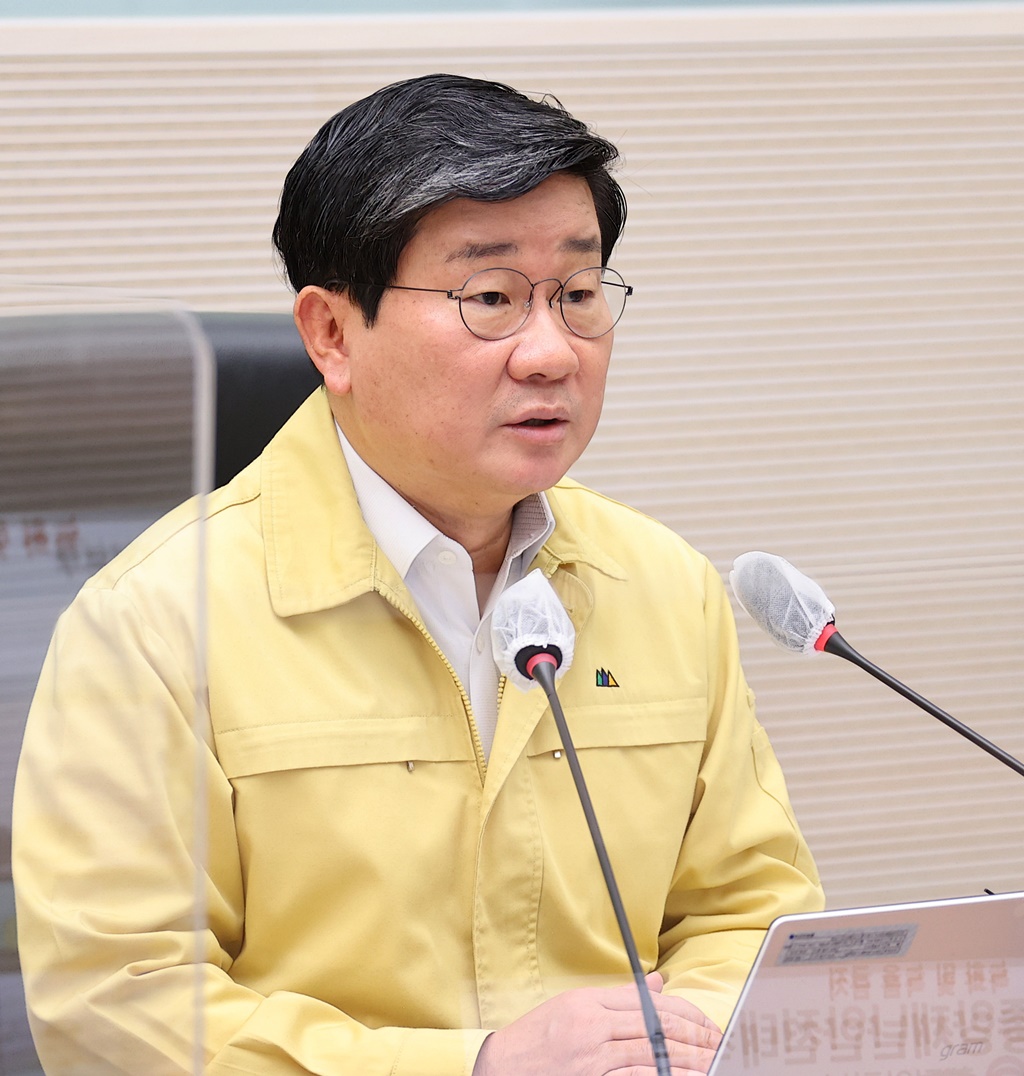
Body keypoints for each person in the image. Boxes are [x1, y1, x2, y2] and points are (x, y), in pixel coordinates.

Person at [13, 73, 824, 1075]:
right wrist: (473, 1065)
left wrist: (679, 1041)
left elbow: (749, 907)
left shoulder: (662, 585)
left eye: (576, 294)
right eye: (488, 298)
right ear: (331, 334)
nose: (549, 352)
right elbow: (115, 1004)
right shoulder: (156, 619)